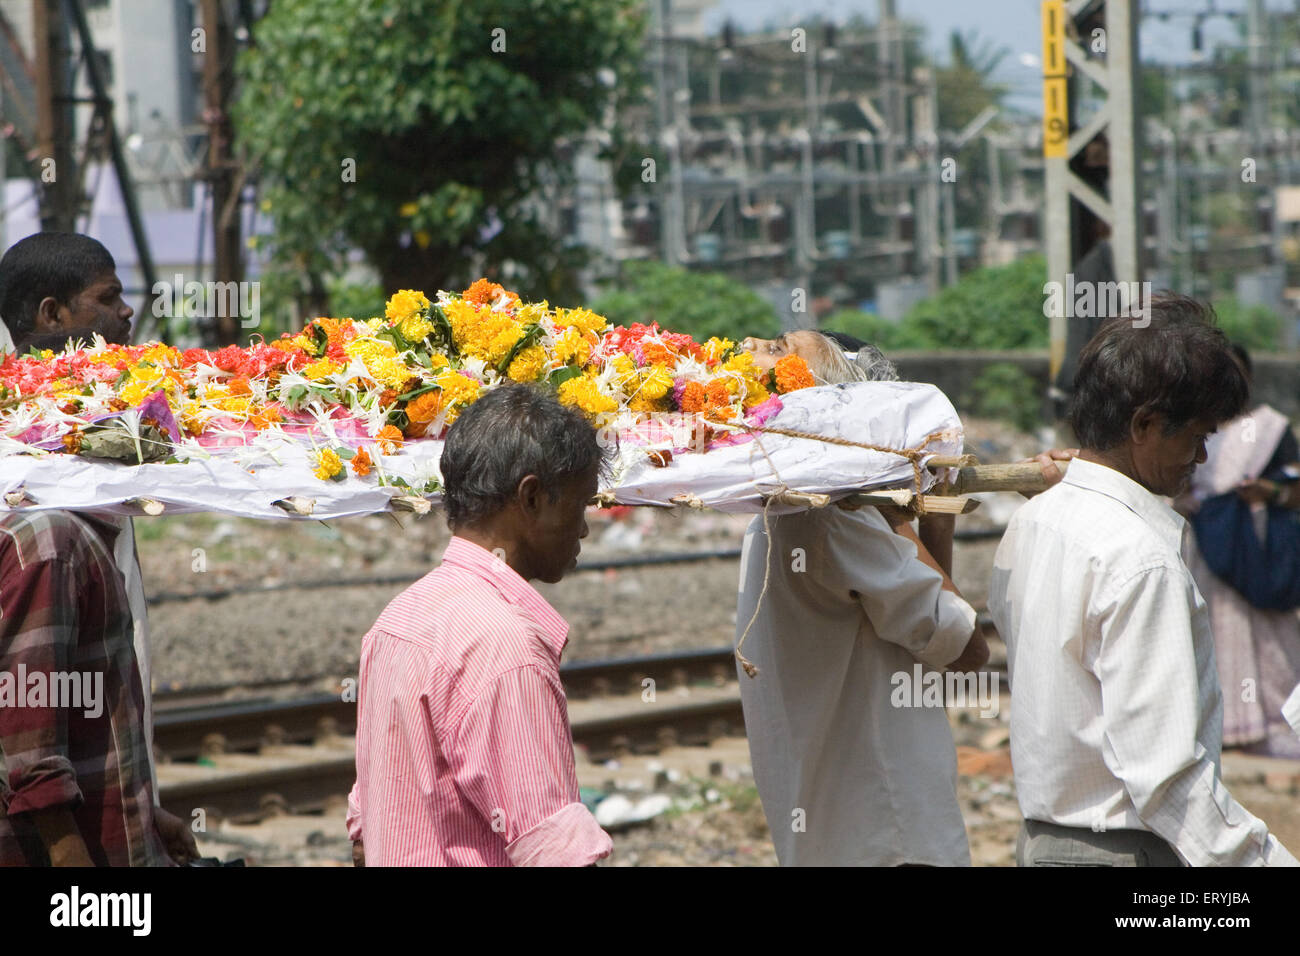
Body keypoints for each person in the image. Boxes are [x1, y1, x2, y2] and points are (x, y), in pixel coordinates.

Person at [989, 295, 1298, 867]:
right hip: (1123, 855)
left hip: (1043, 844)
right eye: (1197, 436)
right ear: (1146, 425)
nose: (1203, 456)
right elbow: (1167, 780)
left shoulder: (1033, 521)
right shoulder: (1138, 558)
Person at [731, 330, 987, 866]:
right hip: (887, 837)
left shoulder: (776, 511)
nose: (755, 343)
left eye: (780, 348)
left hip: (834, 834)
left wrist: (924, 513)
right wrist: (907, 518)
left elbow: (932, 629)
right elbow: (964, 649)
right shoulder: (842, 516)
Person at [347, 384, 614, 866]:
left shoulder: (399, 618)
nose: (583, 529)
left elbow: (367, 838)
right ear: (531, 497)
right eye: (580, 504)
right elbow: (552, 851)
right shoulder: (506, 647)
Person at [0, 232, 197, 866]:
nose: (126, 313)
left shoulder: (67, 498)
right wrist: (72, 868)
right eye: (107, 298)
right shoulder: (48, 532)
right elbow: (28, 739)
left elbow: (88, 709)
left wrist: (143, 814)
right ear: (51, 315)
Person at [1180, 345, 1300, 759]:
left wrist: (1270, 493)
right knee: (1212, 630)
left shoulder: (1269, 430)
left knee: (1268, 639)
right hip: (1208, 551)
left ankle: (1272, 724)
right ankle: (1224, 723)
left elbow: (1295, 490)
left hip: (1257, 550)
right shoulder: (1194, 430)